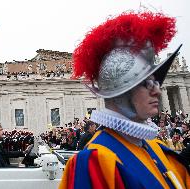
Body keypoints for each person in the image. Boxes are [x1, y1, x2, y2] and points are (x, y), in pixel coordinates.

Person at [59, 11, 189, 189]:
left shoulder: (158, 148)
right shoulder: (94, 162)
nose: (157, 91)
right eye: (146, 84)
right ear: (120, 94)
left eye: (156, 82)